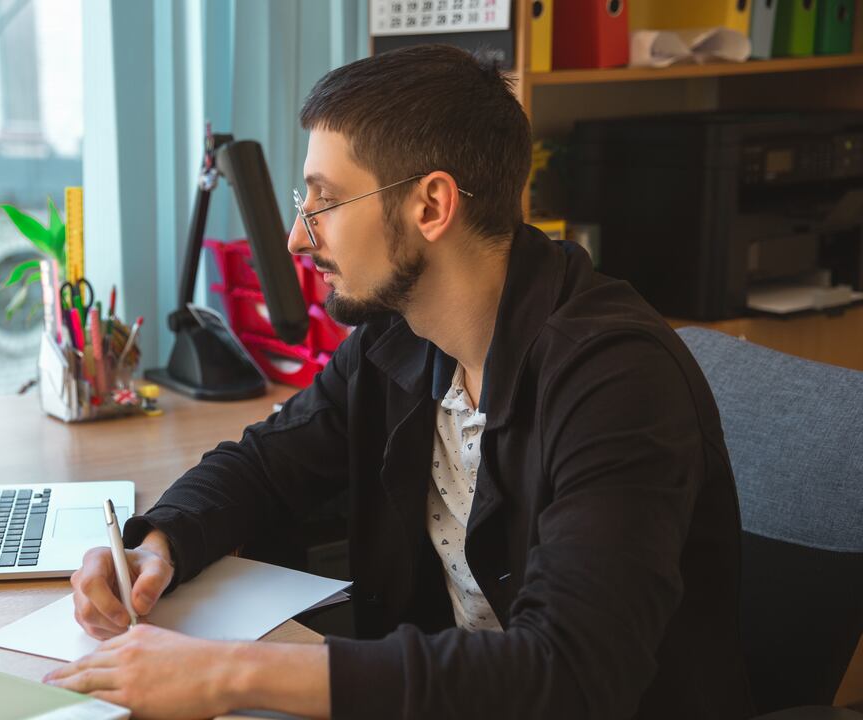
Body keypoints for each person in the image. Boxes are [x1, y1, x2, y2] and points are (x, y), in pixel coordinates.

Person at [43, 44, 753, 719]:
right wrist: (158, 546)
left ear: (431, 207)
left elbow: (569, 675)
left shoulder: (615, 381)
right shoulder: (402, 336)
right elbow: (265, 464)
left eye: (323, 200)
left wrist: (228, 673)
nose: (297, 236)